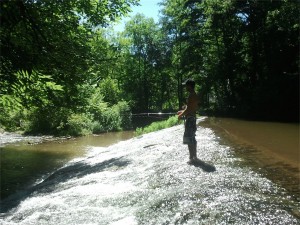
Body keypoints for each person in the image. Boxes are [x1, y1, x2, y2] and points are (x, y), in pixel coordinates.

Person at [177, 78, 199, 163]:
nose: (185, 87)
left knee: (189, 138)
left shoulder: (191, 95)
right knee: (192, 137)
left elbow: (189, 108)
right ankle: (194, 156)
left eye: (186, 85)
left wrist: (180, 115)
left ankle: (191, 158)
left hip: (190, 119)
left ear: (189, 86)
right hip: (192, 118)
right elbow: (190, 107)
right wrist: (182, 111)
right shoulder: (194, 94)